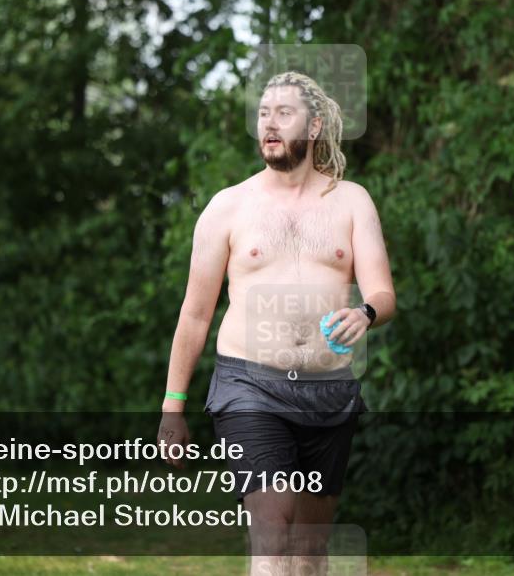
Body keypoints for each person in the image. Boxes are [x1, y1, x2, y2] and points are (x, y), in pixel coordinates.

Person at [158, 71, 396, 575]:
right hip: (250, 385)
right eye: (263, 113)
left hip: (328, 391)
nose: (269, 123)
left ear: (312, 129)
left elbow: (382, 293)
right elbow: (195, 314)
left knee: (309, 552)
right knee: (272, 533)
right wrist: (172, 406)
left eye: (283, 114)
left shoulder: (351, 201)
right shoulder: (227, 207)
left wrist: (364, 312)